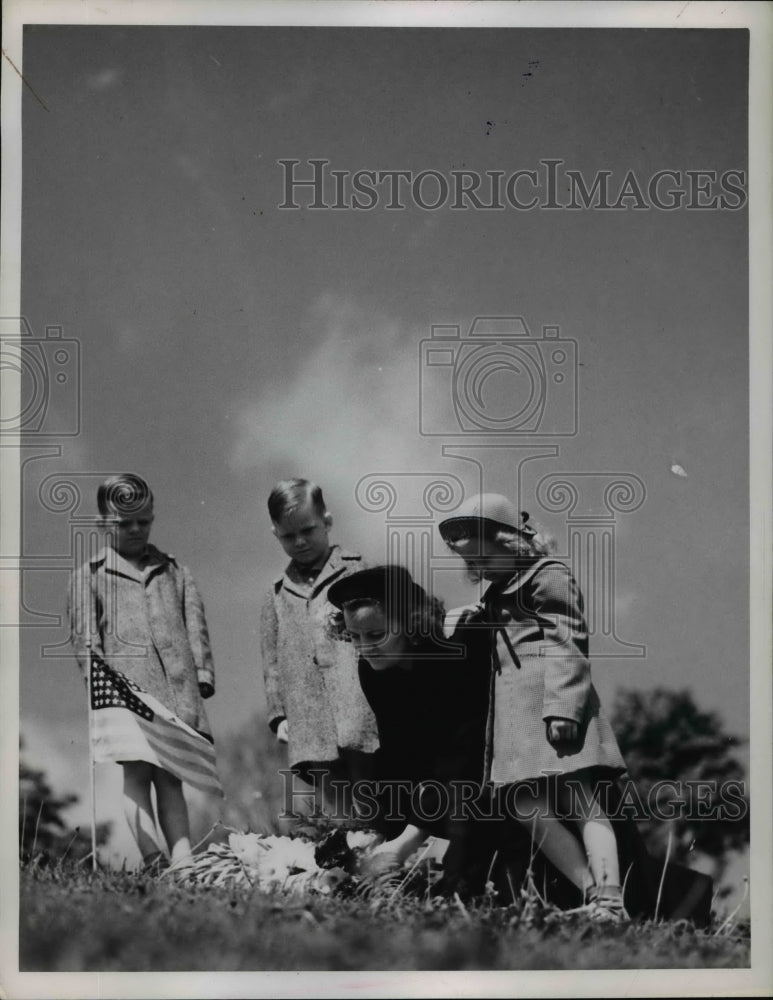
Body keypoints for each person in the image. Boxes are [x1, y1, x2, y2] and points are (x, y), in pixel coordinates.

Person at [438, 492, 632, 922]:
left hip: (552, 710)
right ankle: (593, 896)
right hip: (515, 725)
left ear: (511, 542)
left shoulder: (547, 576)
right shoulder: (496, 593)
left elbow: (568, 641)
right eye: (475, 564)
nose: (481, 569)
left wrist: (564, 707)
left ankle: (612, 899)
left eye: (486, 557)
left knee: (580, 799)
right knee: (526, 807)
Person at [68, 473, 215, 873]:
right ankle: (153, 858)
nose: (135, 529)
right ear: (102, 523)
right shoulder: (89, 576)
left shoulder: (174, 571)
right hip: (124, 691)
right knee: (136, 772)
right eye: (123, 522)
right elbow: (85, 640)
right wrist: (99, 686)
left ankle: (184, 860)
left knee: (171, 775)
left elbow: (194, 622)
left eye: (143, 521)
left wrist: (202, 672)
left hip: (175, 689)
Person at [326, 565, 491, 886]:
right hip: (433, 780)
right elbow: (398, 749)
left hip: (479, 777)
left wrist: (411, 836)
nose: (364, 648)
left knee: (462, 880)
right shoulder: (371, 669)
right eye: (354, 636)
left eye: (375, 635)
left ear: (411, 623)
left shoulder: (451, 659)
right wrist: (382, 831)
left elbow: (459, 753)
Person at [259, 479, 378, 821]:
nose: (299, 542)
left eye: (308, 530)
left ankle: (388, 864)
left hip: (360, 704)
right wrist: (278, 715)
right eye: (287, 536)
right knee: (336, 803)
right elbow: (271, 661)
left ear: (327, 521)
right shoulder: (276, 594)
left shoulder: (359, 569)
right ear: (275, 534)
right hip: (307, 715)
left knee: (374, 791)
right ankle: (352, 861)